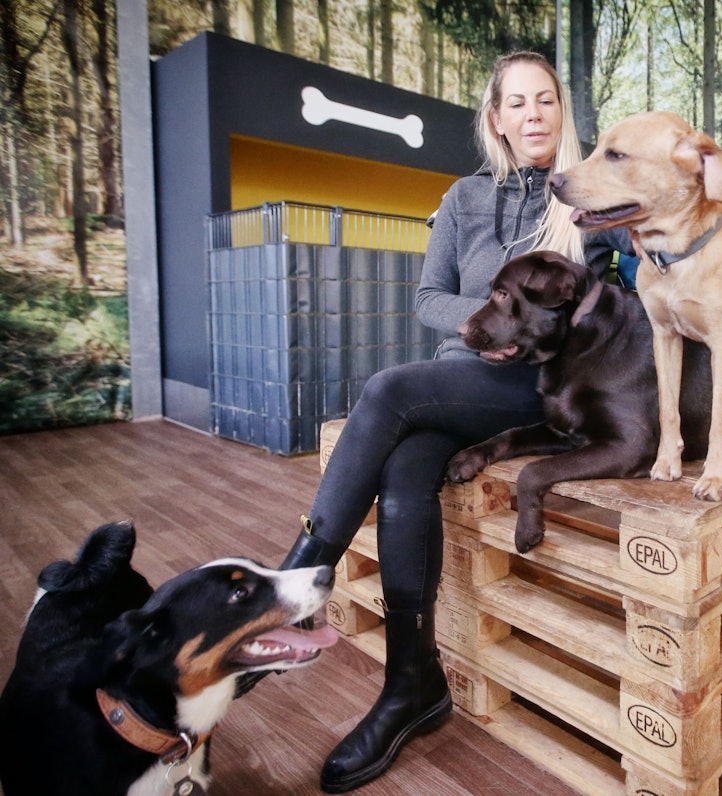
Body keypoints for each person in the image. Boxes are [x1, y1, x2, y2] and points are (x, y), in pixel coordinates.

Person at [260, 51, 627, 794]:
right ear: (494, 119)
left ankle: (304, 570)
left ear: (563, 113)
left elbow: (639, 283)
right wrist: (493, 324)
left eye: (546, 100)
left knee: (390, 388)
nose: (533, 115)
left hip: (538, 387)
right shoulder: (462, 198)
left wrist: (529, 335)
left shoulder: (588, 202)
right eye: (517, 103)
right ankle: (411, 687)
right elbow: (428, 299)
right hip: (455, 376)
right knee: (402, 475)